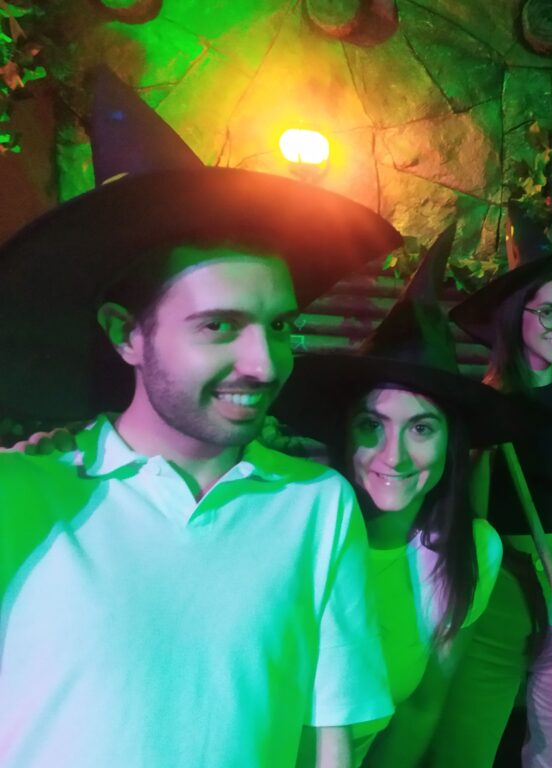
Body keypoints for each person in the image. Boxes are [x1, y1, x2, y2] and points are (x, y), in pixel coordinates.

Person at [0, 68, 403, 767]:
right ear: (126, 333)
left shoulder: (315, 506)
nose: (265, 363)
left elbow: (331, 737)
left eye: (279, 327)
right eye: (219, 326)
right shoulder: (22, 496)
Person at [272, 226, 520, 767]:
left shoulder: (471, 552)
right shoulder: (290, 526)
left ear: (453, 441)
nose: (395, 456)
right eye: (373, 425)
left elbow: (422, 707)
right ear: (345, 431)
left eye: (422, 428)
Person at [428, 210, 552, 767]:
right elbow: (467, 522)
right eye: (551, 312)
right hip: (497, 587)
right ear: (518, 313)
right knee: (462, 750)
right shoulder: (479, 409)